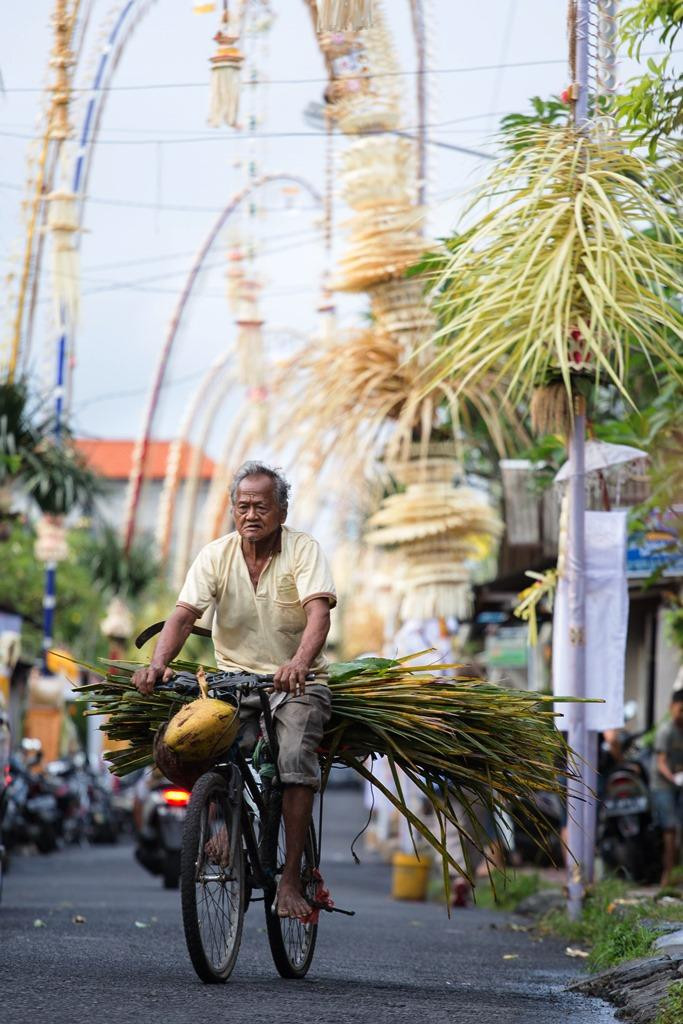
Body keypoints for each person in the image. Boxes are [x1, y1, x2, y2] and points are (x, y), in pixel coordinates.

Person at [132, 461, 336, 919]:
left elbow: (319, 615)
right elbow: (184, 615)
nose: (250, 514)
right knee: (180, 745)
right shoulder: (216, 556)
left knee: (293, 763)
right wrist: (156, 665)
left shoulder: (304, 550)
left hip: (298, 684)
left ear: (281, 511)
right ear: (232, 510)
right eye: (242, 506)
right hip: (233, 682)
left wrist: (299, 663)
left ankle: (288, 882)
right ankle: (220, 817)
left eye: (261, 506)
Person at [651, 689, 683, 886]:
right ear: (671, 708)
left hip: (678, 783)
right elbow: (660, 763)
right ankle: (667, 876)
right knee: (670, 828)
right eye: (681, 710)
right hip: (663, 785)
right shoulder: (665, 731)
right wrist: (674, 779)